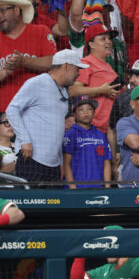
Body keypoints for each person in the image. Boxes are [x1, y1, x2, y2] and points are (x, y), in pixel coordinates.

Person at [7, 49, 86, 184]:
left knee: (53, 205)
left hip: (54, 166)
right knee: (31, 204)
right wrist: (25, 140)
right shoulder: (37, 83)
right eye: (77, 69)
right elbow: (12, 109)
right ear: (66, 65)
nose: (78, 74)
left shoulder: (64, 92)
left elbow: (58, 128)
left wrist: (60, 161)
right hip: (31, 160)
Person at [0, 0, 56, 112]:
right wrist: (6, 72)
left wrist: (24, 61)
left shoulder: (41, 31)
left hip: (37, 110)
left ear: (16, 10)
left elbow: (53, 63)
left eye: (2, 10)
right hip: (4, 116)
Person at [69, 25, 120, 134]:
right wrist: (101, 90)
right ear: (91, 44)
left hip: (110, 129)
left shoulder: (109, 67)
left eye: (109, 39)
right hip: (92, 130)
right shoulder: (85, 63)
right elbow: (73, 90)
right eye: (103, 39)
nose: (109, 42)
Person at [63, 96, 112, 189]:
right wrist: (72, 187)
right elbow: (66, 163)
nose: (86, 112)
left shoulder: (101, 135)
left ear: (94, 113)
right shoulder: (70, 134)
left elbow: (107, 162)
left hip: (99, 188)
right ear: (74, 114)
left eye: (90, 109)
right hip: (77, 189)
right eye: (81, 109)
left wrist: (107, 187)